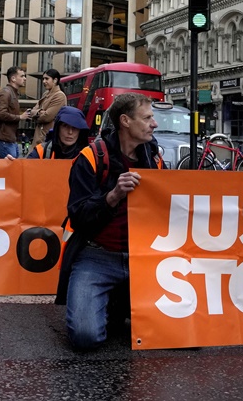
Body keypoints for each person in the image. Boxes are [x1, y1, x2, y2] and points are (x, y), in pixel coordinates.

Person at [56, 93, 162, 350]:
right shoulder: (91, 158)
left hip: (143, 259)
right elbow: (78, 216)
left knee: (183, 332)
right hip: (97, 256)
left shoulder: (154, 159)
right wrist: (112, 196)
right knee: (85, 337)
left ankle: (117, 303)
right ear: (125, 121)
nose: (154, 123)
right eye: (147, 117)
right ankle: (114, 302)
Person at [0, 66, 32, 159]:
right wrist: (20, 117)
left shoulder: (13, 93)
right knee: (9, 170)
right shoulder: (6, 93)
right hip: (4, 139)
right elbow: (1, 113)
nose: (24, 78)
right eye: (22, 76)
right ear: (13, 78)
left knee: (11, 170)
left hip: (10, 139)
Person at [30, 69, 67, 146]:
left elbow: (46, 117)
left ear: (55, 80)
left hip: (48, 140)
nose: (44, 81)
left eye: (47, 79)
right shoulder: (45, 94)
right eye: (43, 79)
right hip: (39, 138)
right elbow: (32, 111)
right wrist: (40, 112)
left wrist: (37, 113)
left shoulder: (60, 95)